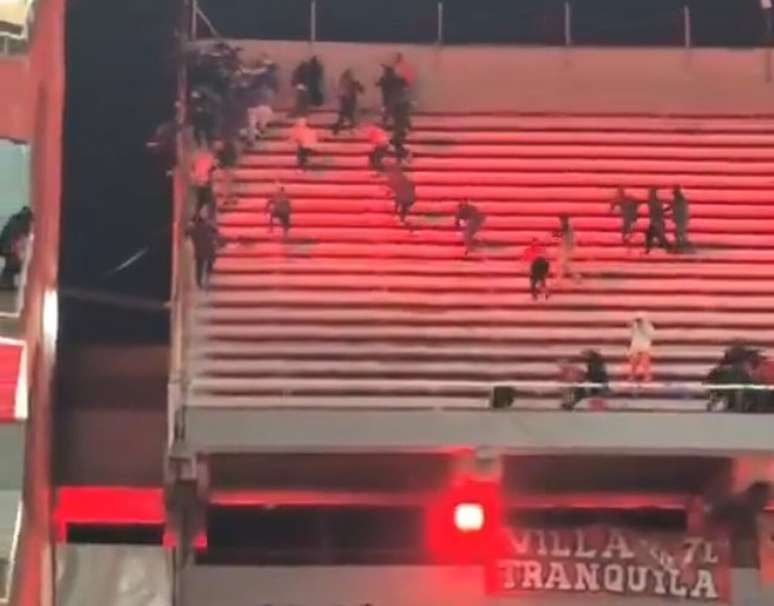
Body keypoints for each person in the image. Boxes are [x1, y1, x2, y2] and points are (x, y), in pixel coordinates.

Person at [187, 213, 224, 289]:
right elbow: (216, 232)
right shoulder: (208, 226)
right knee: (208, 265)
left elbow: (186, 233)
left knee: (199, 268)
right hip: (209, 250)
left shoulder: (193, 229)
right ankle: (207, 278)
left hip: (199, 252)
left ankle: (199, 283)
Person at [0, 207, 32, 289]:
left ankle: (5, 284)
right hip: (13, 248)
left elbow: (4, 234)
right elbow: (25, 234)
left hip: (6, 247)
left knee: (10, 268)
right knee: (14, 266)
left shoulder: (13, 219)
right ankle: (5, 284)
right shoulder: (25, 221)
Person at [332, 69, 364, 135]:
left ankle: (338, 130)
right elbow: (361, 89)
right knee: (347, 117)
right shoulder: (349, 83)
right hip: (348, 103)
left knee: (345, 117)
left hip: (348, 102)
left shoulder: (349, 83)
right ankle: (346, 130)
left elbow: (361, 89)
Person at [191, 146, 217, 217]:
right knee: (207, 201)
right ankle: (202, 217)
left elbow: (193, 169)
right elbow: (212, 169)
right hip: (203, 183)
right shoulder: (209, 157)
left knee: (200, 202)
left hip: (200, 183)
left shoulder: (196, 155)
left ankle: (198, 217)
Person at [629, 312, 655, 382]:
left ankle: (647, 376)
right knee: (633, 362)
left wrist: (643, 327)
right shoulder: (634, 326)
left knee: (645, 362)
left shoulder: (648, 326)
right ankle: (632, 375)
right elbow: (632, 333)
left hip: (644, 345)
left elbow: (651, 335)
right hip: (635, 345)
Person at [554, 214, 580, 283]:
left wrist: (554, 234)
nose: (560, 222)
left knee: (561, 264)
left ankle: (557, 281)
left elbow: (561, 233)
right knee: (565, 265)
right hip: (567, 247)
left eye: (561, 220)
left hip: (567, 248)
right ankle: (577, 277)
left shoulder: (566, 226)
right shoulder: (567, 226)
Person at [645, 188, 671, 254]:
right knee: (650, 236)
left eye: (651, 193)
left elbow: (658, 211)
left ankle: (669, 249)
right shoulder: (654, 201)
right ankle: (648, 250)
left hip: (657, 222)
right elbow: (659, 211)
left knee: (659, 237)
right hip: (655, 222)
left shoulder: (654, 202)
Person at [667, 185, 691, 252]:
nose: (673, 194)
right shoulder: (679, 199)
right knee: (680, 233)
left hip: (681, 219)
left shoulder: (679, 199)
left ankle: (681, 247)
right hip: (681, 219)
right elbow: (672, 206)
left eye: (674, 193)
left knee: (680, 233)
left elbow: (673, 206)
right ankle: (680, 247)